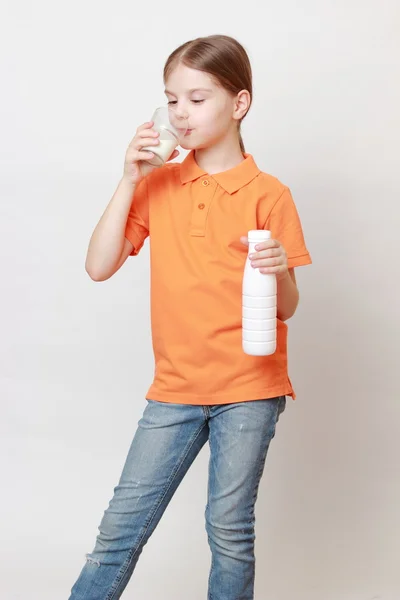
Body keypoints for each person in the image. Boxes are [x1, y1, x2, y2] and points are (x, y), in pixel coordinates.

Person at [68, 34, 312, 600]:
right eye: (171, 99)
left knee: (229, 534)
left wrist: (277, 271)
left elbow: (290, 308)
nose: (180, 112)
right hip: (175, 388)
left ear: (239, 104)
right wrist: (129, 177)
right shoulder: (159, 184)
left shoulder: (270, 194)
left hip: (250, 387)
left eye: (197, 98)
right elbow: (98, 266)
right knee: (118, 533)